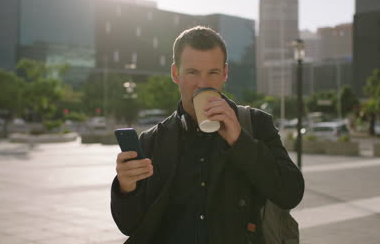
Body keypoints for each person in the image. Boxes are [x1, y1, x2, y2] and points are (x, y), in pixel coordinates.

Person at [111, 26, 304, 244]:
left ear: (224, 74)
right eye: (192, 72)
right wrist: (126, 188)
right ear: (176, 73)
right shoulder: (153, 140)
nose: (202, 84)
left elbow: (290, 193)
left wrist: (240, 140)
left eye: (212, 72)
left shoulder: (255, 124)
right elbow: (129, 225)